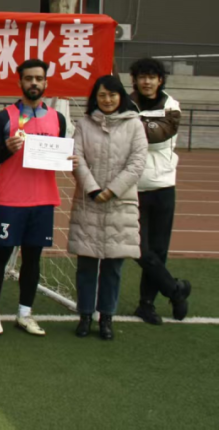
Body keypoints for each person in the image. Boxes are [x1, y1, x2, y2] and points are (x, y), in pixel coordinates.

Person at [0, 59, 70, 337]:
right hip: (10, 200)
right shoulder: (4, 117)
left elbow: (58, 155)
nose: (34, 83)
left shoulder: (58, 119)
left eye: (38, 79)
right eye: (29, 78)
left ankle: (25, 314)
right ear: (20, 82)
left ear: (45, 83)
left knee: (33, 258)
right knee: (0, 255)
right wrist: (7, 149)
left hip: (43, 200)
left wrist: (68, 159)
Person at [71, 74, 148, 340]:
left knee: (113, 267)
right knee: (86, 265)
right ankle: (84, 315)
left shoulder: (134, 125)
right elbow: (77, 158)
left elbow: (137, 163)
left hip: (120, 204)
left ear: (120, 96)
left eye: (112, 95)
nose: (107, 100)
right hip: (89, 202)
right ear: (95, 97)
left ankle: (106, 317)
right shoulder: (84, 124)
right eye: (102, 95)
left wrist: (112, 190)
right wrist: (93, 189)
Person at [129, 57, 192, 324]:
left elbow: (158, 136)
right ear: (135, 80)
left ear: (160, 80)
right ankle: (175, 289)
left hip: (163, 185)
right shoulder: (126, 103)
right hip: (132, 186)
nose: (146, 81)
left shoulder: (171, 105)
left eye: (151, 77)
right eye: (142, 77)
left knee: (159, 248)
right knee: (137, 248)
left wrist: (132, 125)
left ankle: (147, 305)